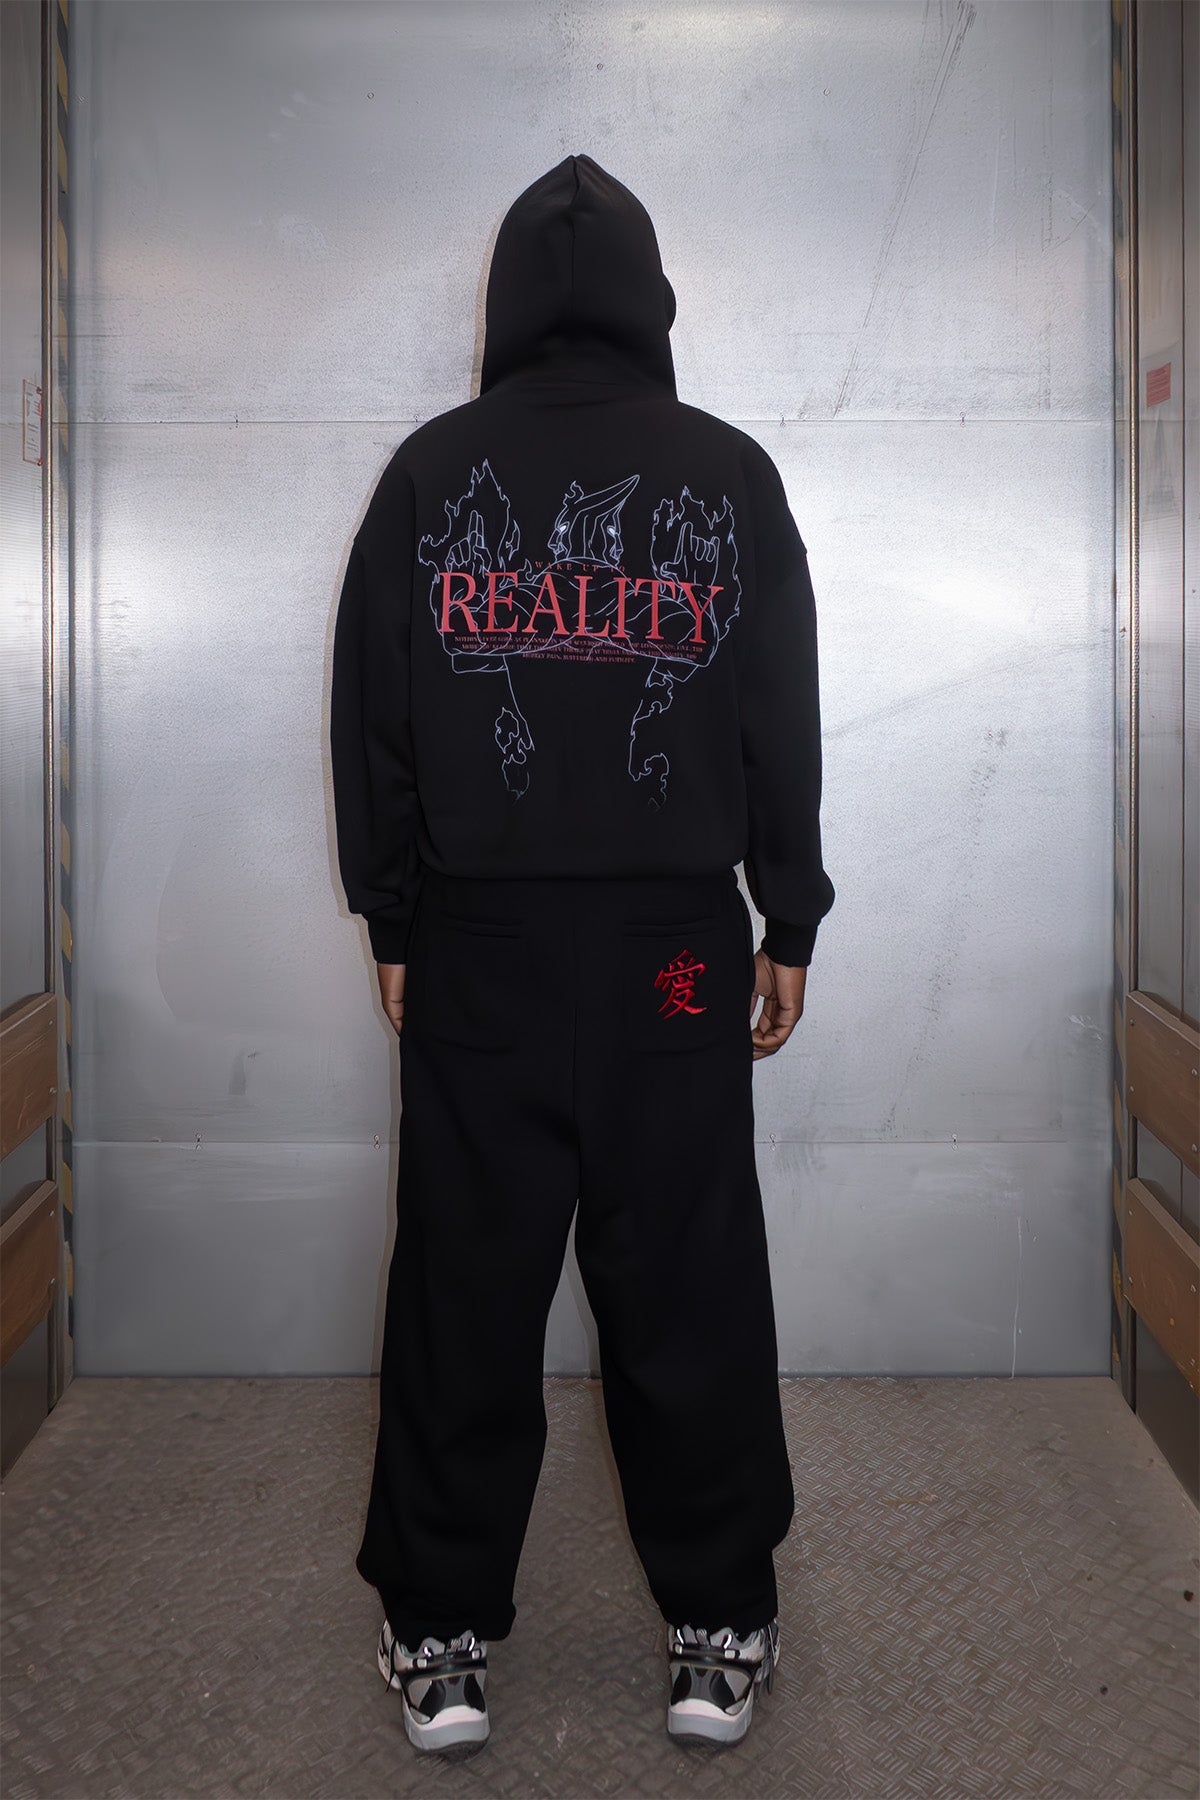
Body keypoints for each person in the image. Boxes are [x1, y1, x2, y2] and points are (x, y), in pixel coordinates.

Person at [329, 152, 835, 1759]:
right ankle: (719, 1623)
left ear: (505, 305)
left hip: (480, 952)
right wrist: (788, 912)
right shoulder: (726, 473)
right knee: (687, 1278)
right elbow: (778, 710)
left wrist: (394, 916)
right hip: (670, 960)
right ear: (647, 299)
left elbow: (374, 717)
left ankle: (439, 1638)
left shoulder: (431, 473)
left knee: (461, 1286)